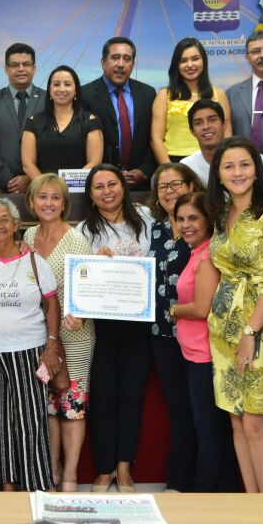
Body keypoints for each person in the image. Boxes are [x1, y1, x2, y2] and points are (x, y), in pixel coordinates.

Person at [205, 136, 263, 493]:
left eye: (244, 165)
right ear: (219, 173)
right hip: (222, 331)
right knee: (237, 422)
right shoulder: (221, 214)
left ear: (256, 171)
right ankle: (251, 502)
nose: (237, 172)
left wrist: (249, 332)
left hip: (259, 330)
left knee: (257, 425)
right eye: (229, 166)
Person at [0, 198, 62, 492]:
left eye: (4, 219)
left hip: (29, 351)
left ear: (16, 224)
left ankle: (34, 484)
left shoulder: (33, 260)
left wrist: (51, 344)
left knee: (30, 421)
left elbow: (52, 305)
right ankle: (4, 485)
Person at [77, 163, 155, 492]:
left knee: (131, 397)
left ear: (123, 187)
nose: (107, 191)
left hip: (138, 321)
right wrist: (96, 262)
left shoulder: (146, 220)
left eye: (113, 184)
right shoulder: (84, 231)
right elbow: (79, 276)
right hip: (102, 325)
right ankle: (104, 468)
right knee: (104, 397)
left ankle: (124, 467)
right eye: (99, 187)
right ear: (91, 196)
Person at [23, 174, 95, 492]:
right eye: (42, 197)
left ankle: (70, 476)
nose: (48, 203)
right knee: (49, 406)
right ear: (31, 202)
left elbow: (94, 287)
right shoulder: (26, 236)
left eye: (55, 198)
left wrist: (80, 314)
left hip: (75, 338)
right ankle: (50, 472)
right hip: (38, 337)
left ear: (64, 204)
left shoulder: (77, 240)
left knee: (72, 408)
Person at [146, 163, 208, 492]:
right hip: (161, 335)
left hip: (199, 335)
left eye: (176, 185)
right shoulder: (153, 229)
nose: (170, 192)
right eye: (163, 187)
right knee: (179, 409)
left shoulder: (202, 231)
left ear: (190, 185)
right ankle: (178, 480)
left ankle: (202, 481)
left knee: (203, 412)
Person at [169, 190, 236, 492]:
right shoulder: (196, 252)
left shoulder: (207, 256)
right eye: (180, 219)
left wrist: (173, 310)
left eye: (193, 218)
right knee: (204, 428)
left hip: (205, 357)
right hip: (194, 354)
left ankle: (205, 491)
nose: (186, 225)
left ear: (208, 219)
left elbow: (202, 307)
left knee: (207, 430)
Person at [81, 37, 157, 189]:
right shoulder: (85, 94)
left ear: (133, 64)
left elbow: (154, 137)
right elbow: (80, 143)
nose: (121, 64)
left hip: (141, 184)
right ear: (103, 62)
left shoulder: (148, 93)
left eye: (127, 59)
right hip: (100, 185)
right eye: (115, 58)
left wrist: (144, 171)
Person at [0, 43, 46, 193]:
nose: (21, 69)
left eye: (26, 64)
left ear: (34, 68)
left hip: (41, 185)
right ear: (6, 69)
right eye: (15, 65)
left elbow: (55, 145)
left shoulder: (48, 100)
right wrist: (9, 181)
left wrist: (31, 177)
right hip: (0, 188)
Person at [152, 37, 231, 163]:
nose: (190, 65)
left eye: (195, 59)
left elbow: (227, 135)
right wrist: (170, 170)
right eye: (183, 61)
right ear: (176, 65)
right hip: (175, 162)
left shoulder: (219, 94)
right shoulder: (164, 95)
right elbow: (156, 138)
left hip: (214, 162)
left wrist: (225, 164)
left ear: (203, 61)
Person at [21, 65, 104, 178]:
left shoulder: (90, 121)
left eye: (67, 84)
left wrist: (71, 184)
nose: (61, 89)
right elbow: (28, 164)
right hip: (44, 191)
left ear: (76, 90)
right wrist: (48, 186)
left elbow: (94, 162)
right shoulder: (33, 122)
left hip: (80, 191)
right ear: (49, 90)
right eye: (56, 84)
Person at [180, 99, 263, 188]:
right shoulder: (187, 166)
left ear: (224, 125)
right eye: (198, 123)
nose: (206, 126)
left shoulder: (254, 158)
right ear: (192, 131)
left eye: (212, 120)